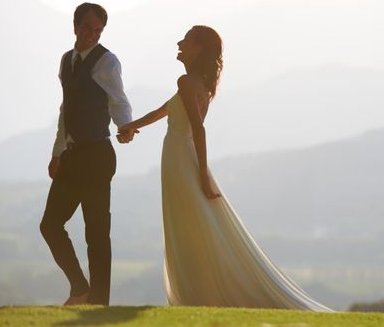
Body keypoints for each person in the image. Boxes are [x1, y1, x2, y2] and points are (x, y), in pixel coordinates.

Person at [119, 25, 332, 310]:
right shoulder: (195, 84)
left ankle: (196, 293)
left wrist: (204, 176)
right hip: (180, 160)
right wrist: (131, 126)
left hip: (182, 161)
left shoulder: (187, 82)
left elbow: (198, 129)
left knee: (188, 228)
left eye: (187, 40)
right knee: (189, 226)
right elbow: (163, 112)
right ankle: (198, 292)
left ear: (198, 49)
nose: (179, 43)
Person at [39, 2, 134, 306]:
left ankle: (99, 302)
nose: (92, 35)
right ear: (75, 27)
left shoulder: (107, 61)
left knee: (96, 233)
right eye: (87, 28)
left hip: (97, 156)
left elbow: (119, 99)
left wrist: (125, 127)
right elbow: (66, 110)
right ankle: (80, 287)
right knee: (50, 225)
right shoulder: (66, 61)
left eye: (98, 30)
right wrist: (57, 152)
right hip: (71, 156)